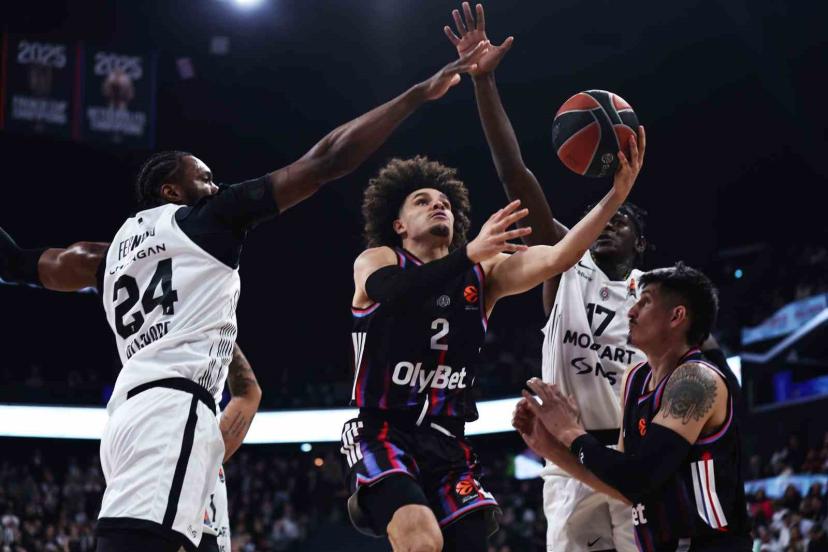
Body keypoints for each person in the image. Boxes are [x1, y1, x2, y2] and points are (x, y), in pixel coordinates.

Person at [0, 43, 489, 552]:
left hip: (131, 414)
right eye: (205, 178)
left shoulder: (100, 257)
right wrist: (416, 95)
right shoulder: (208, 219)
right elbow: (326, 160)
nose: (216, 187)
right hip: (174, 411)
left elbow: (13, 263)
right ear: (171, 191)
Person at [341, 124, 644, 552]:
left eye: (445, 203)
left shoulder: (485, 273)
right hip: (382, 430)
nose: (438, 205)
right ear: (399, 224)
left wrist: (616, 194)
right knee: (421, 539)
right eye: (422, 201)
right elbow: (394, 293)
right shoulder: (378, 259)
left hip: (448, 441)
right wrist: (469, 252)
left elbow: (561, 256)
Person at [444, 3, 647, 550]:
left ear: (642, 244)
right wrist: (484, 82)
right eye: (604, 216)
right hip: (568, 459)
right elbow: (515, 174)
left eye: (622, 219)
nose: (609, 223)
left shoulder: (654, 292)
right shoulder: (565, 265)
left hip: (636, 456)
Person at [515, 263, 752, 551]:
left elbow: (639, 478)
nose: (630, 311)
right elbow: (624, 488)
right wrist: (550, 449)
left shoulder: (697, 381)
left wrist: (568, 431)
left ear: (676, 316)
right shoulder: (635, 378)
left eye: (645, 302)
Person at [200, 344, 261, 552]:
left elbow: (249, 395)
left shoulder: (206, 446)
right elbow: (248, 394)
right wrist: (222, 335)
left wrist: (223, 335)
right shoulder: (201, 449)